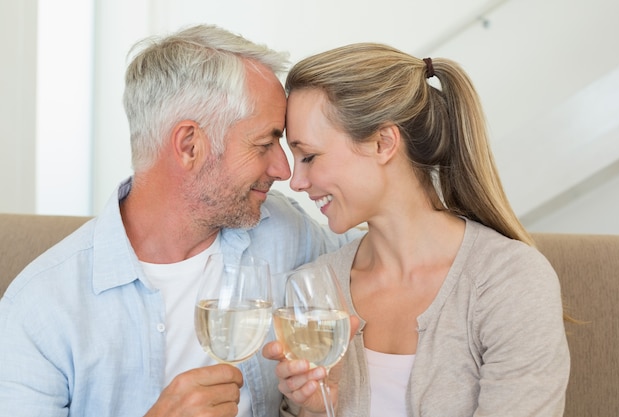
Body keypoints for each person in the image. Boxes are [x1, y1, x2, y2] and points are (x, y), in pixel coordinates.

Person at [0, 25, 361, 417]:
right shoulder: (40, 307)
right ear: (189, 145)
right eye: (264, 144)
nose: (283, 169)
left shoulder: (282, 229)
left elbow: (386, 260)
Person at [262, 43, 570, 417]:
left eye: (308, 156)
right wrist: (315, 409)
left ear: (383, 143)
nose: (295, 181)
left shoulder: (509, 281)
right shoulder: (316, 290)